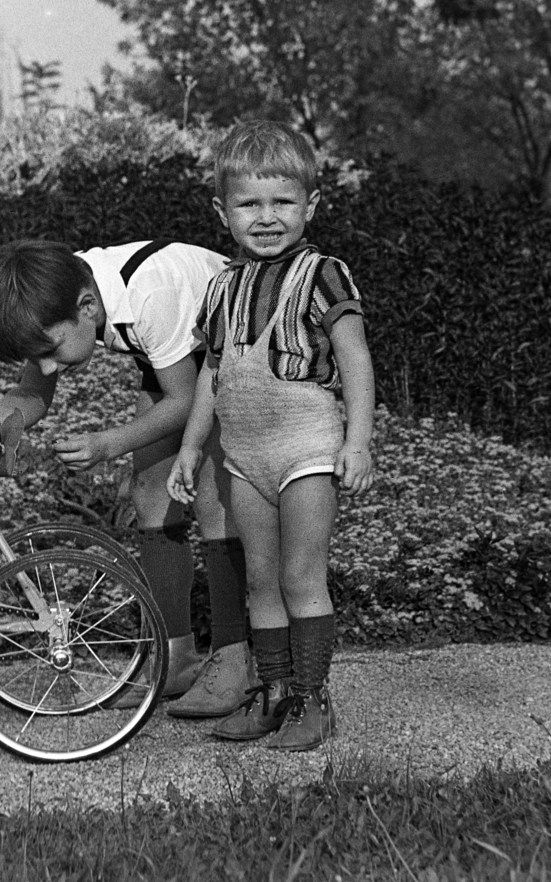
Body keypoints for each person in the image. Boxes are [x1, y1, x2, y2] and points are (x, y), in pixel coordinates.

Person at [0, 238, 257, 717]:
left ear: (88, 306)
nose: (46, 365)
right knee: (152, 493)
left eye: (49, 351)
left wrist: (109, 444)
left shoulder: (147, 294)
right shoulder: (56, 297)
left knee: (212, 496)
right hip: (180, 358)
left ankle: (235, 662)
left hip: (240, 352)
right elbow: (33, 392)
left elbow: (184, 402)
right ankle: (175, 659)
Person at [167, 120, 376, 751]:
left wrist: (357, 441)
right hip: (245, 458)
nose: (266, 217)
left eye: (282, 202)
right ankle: (275, 692)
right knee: (259, 580)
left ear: (310, 205)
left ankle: (312, 699)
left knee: (300, 577)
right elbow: (211, 372)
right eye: (248, 204)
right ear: (221, 212)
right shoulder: (222, 286)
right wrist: (189, 445)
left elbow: (356, 357)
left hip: (306, 448)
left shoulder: (324, 274)